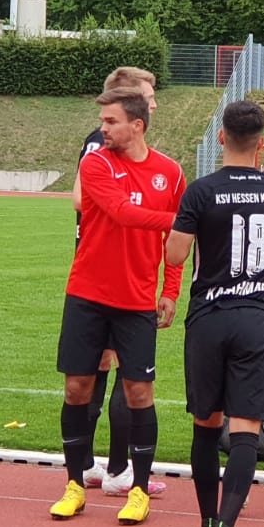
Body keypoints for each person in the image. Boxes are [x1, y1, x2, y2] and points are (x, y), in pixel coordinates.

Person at [50, 86, 184, 526]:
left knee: (139, 392)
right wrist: (186, 218)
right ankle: (74, 485)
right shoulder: (96, 163)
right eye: (102, 121)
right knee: (77, 389)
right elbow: (123, 213)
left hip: (137, 300)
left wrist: (171, 289)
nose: (102, 129)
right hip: (86, 295)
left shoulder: (170, 173)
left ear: (137, 125)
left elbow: (176, 244)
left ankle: (139, 489)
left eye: (111, 122)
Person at [166, 99, 264, 527]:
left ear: (221, 136)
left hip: (209, 317)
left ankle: (205, 522)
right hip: (256, 315)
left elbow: (176, 256)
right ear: (263, 144)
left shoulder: (201, 191)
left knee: (205, 423)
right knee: (246, 429)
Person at [70, 67, 165, 497]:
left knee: (120, 376)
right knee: (95, 376)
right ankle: (101, 469)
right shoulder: (99, 150)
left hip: (129, 280)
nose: (153, 102)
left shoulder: (160, 165)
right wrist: (182, 218)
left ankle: (108, 468)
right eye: (148, 94)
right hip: (98, 275)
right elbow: (91, 202)